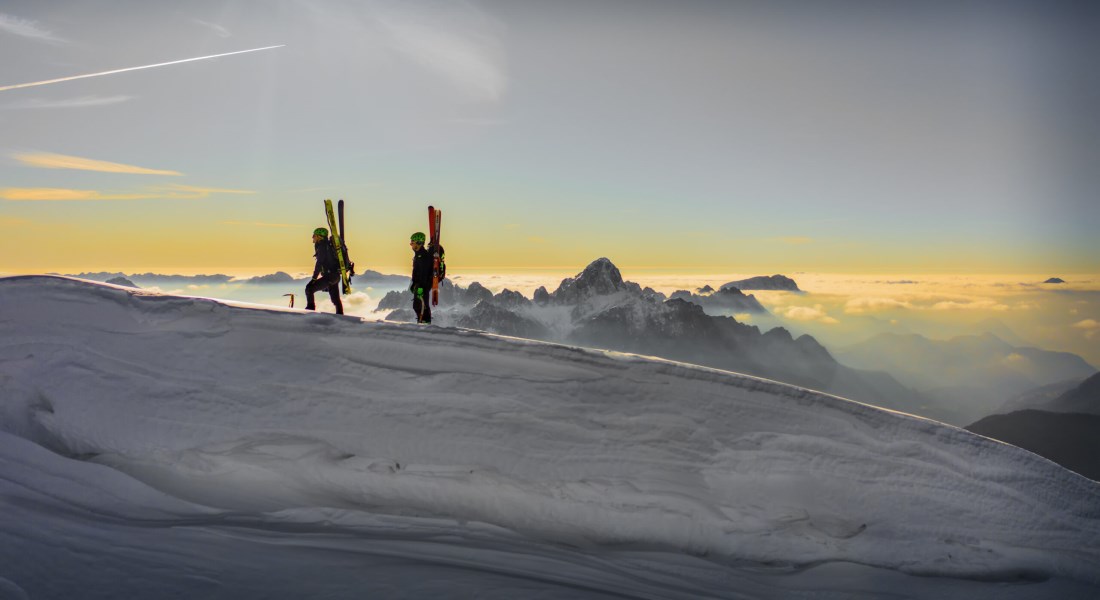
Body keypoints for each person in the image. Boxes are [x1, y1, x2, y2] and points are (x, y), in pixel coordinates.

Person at [306, 227, 343, 315]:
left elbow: (319, 263)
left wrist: (314, 279)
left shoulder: (322, 246)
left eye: (314, 235)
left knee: (309, 289)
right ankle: (340, 315)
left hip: (329, 276)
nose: (312, 237)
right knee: (335, 300)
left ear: (319, 237)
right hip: (335, 276)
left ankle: (310, 311)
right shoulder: (328, 246)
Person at [409, 231, 437, 324]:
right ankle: (422, 322)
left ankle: (425, 323)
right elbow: (417, 272)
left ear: (419, 243)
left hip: (423, 286)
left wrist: (420, 286)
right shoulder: (418, 255)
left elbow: (424, 273)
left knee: (421, 306)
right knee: (417, 306)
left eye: (412, 243)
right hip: (419, 285)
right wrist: (414, 284)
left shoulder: (423, 256)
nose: (411, 245)